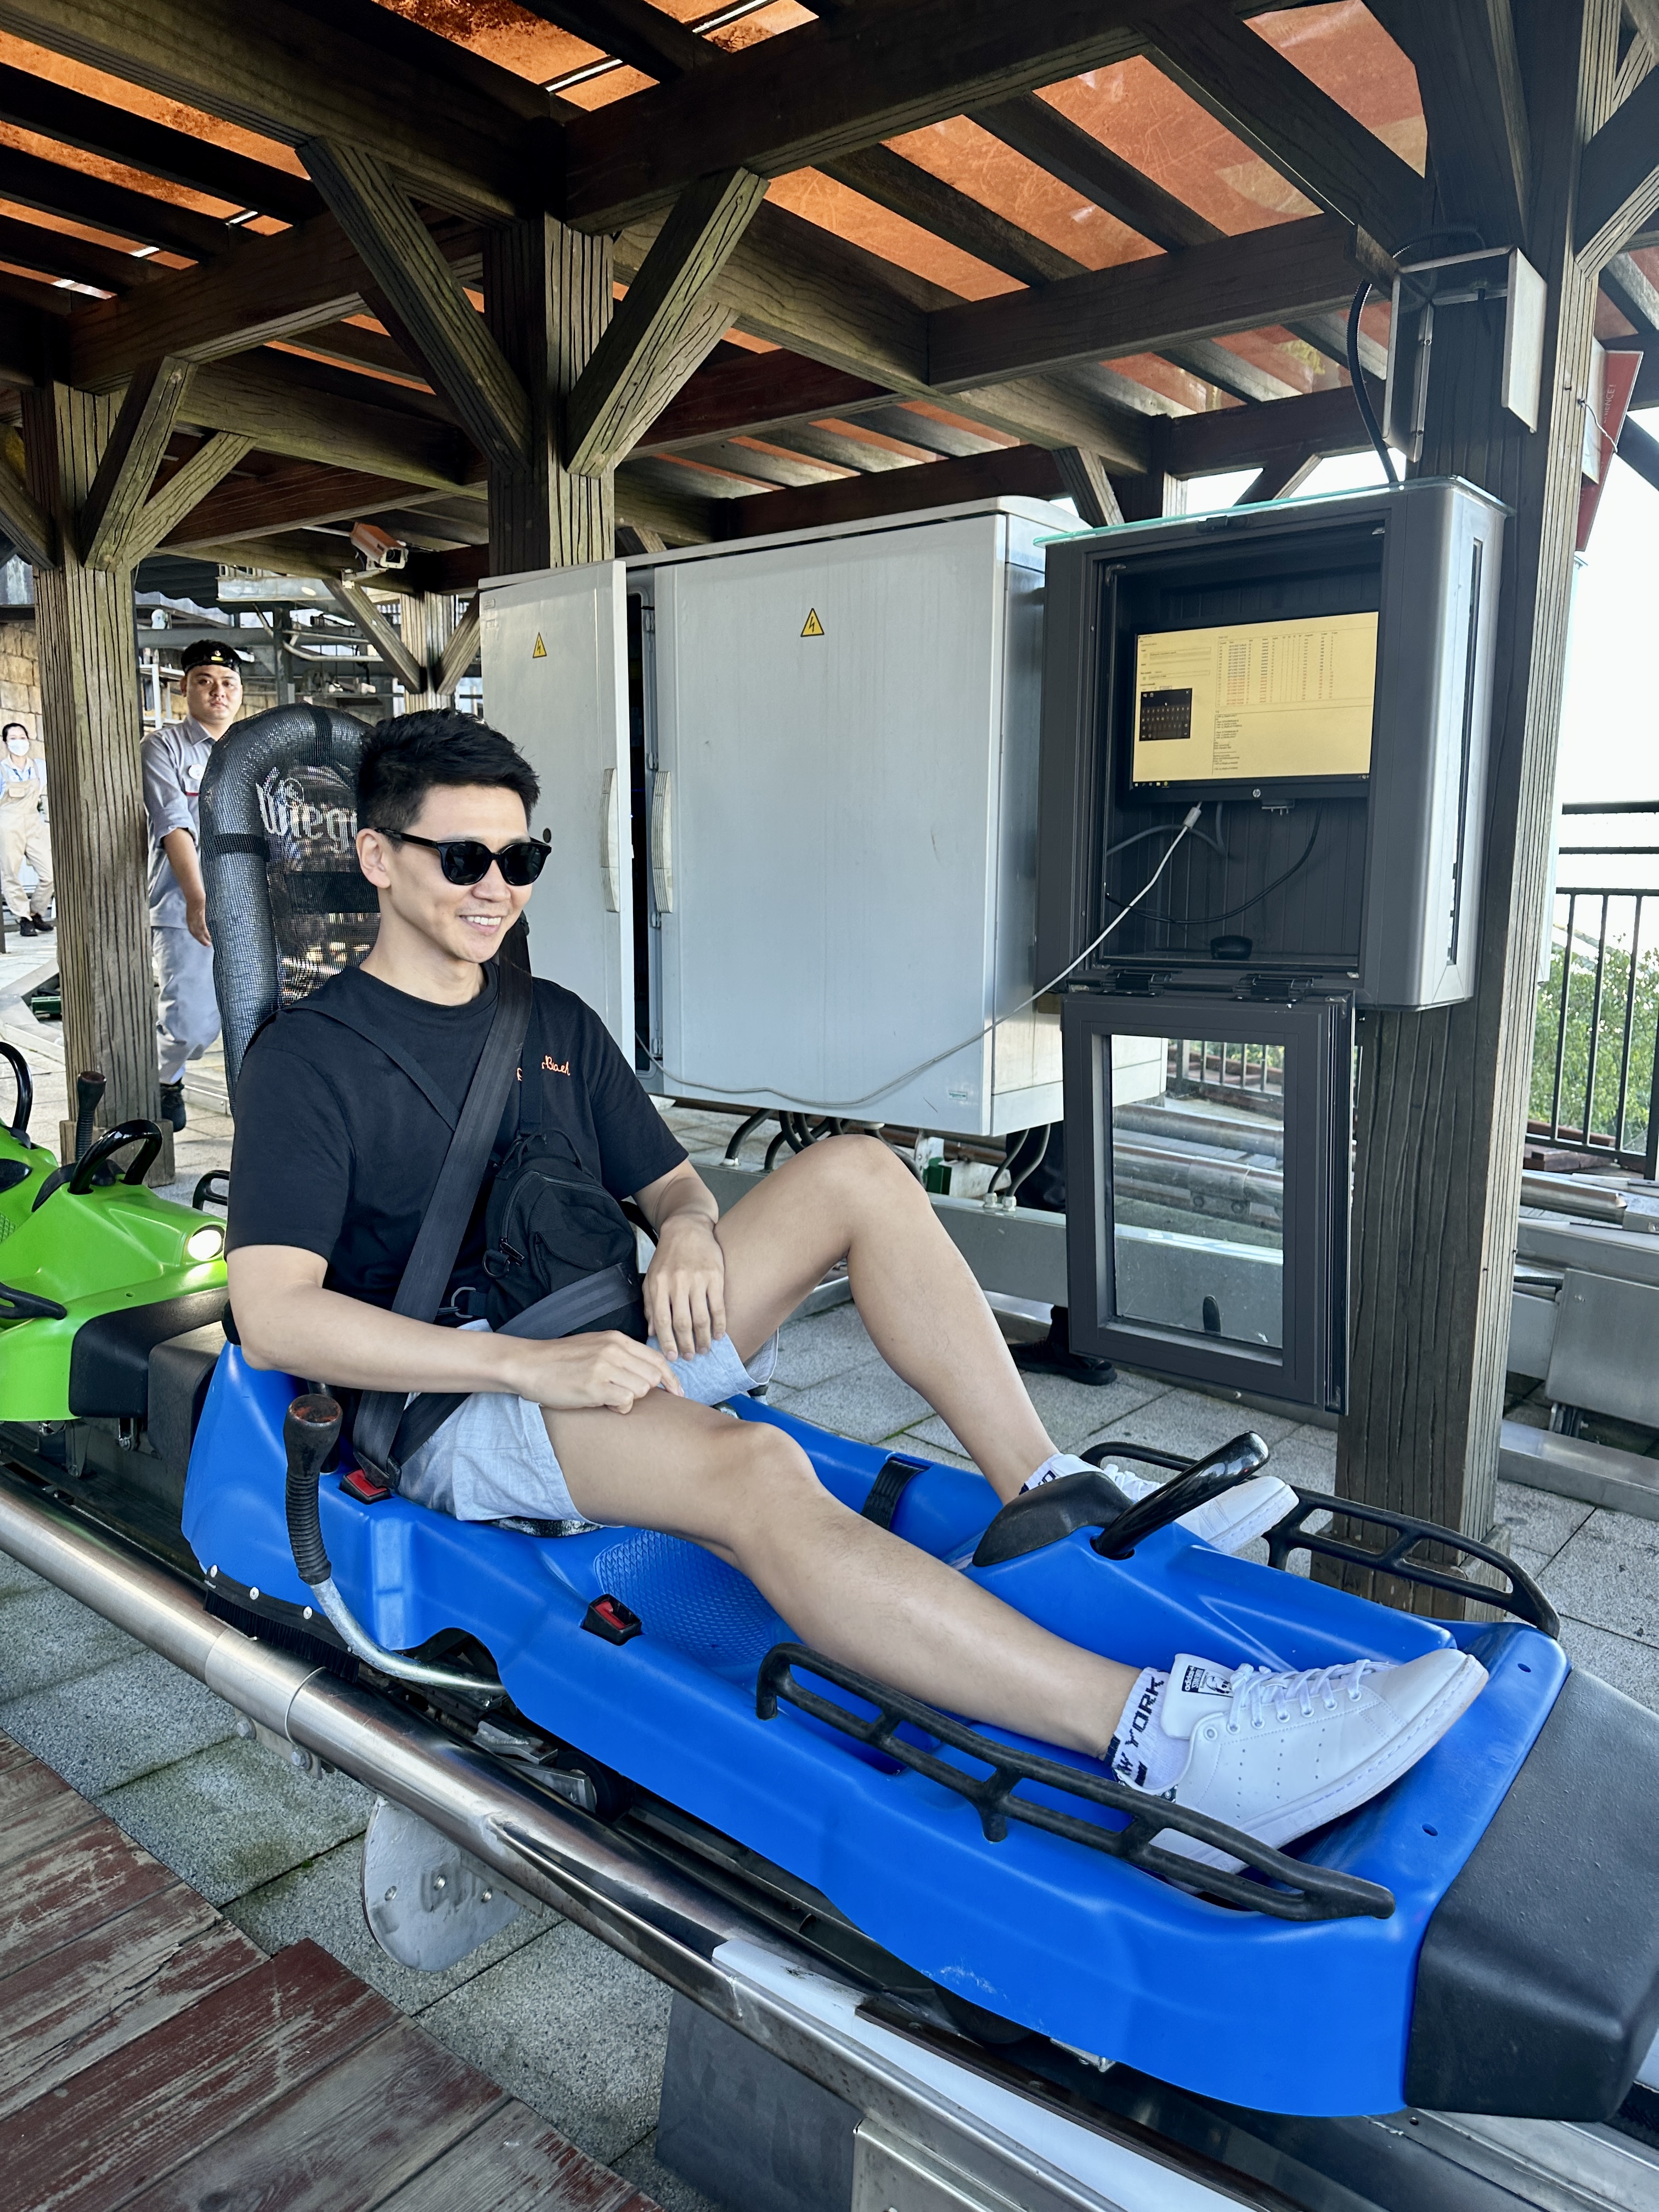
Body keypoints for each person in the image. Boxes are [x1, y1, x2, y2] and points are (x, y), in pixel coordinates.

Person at [225, 712, 1486, 1872]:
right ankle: (1166, 1740)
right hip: (468, 1401)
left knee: (859, 1174)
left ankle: (1048, 1497)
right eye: (463, 859)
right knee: (757, 1468)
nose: (496, 887)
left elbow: (672, 1185)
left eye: (520, 858)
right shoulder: (312, 1061)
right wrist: (525, 1365)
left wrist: (691, 1232)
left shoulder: (546, 1018)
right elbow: (275, 1315)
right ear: (378, 858)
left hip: (616, 1329)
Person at [143, 639, 243, 1130]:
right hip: (185, 904)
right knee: (191, 1026)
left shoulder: (254, 749)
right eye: (205, 682)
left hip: (249, 905)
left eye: (228, 683)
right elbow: (173, 824)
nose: (218, 692)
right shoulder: (163, 748)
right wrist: (198, 897)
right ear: (185, 688)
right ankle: (165, 1077)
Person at [0, 721, 52, 940]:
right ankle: (24, 918)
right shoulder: (2, 770)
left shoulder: (40, 767)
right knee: (10, 873)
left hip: (33, 821)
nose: (19, 742)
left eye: (22, 738)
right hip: (8, 822)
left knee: (50, 872)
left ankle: (36, 912)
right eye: (13, 739)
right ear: (5, 743)